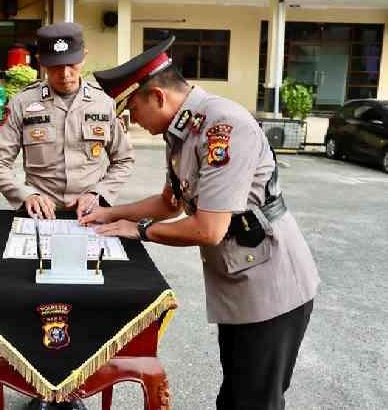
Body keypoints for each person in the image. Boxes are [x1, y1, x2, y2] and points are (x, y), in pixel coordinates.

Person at [83, 36, 320, 410]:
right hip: (241, 279)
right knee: (237, 392)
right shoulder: (181, 131)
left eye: (131, 111)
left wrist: (140, 231)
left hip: (271, 286)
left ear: (157, 97)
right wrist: (111, 213)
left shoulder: (222, 126)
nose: (131, 124)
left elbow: (209, 229)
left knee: (254, 400)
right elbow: (169, 203)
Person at [0, 22, 135, 222]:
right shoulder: (22, 103)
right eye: (55, 66)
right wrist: (25, 195)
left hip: (91, 213)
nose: (65, 74)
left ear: (84, 56)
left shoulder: (104, 103)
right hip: (38, 215)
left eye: (71, 64)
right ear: (41, 62)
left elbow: (123, 159)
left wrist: (98, 194)